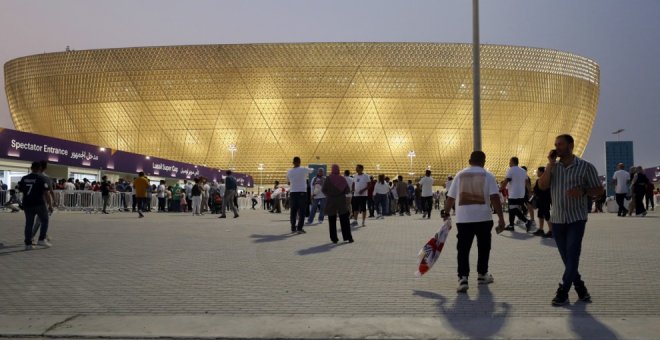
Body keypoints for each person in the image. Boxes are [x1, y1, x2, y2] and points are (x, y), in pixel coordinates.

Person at [538, 134, 603, 306]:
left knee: (572, 256)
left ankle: (562, 292)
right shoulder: (554, 167)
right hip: (558, 219)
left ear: (571, 146)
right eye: (555, 144)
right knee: (567, 259)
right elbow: (542, 185)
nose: (557, 147)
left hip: (576, 218)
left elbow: (599, 190)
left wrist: (582, 192)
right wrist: (550, 165)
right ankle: (581, 288)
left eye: (560, 144)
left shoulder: (585, 167)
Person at [443, 151, 505, 293]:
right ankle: (482, 275)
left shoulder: (459, 175)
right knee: (484, 247)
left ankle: (463, 278)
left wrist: (446, 214)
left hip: (464, 219)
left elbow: (450, 198)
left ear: (469, 160)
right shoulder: (488, 175)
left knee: (463, 249)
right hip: (484, 218)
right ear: (484, 161)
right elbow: (495, 197)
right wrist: (501, 218)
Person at [19, 161, 54, 250]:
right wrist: (50, 205)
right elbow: (46, 193)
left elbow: (22, 191)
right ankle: (41, 239)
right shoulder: (42, 178)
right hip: (39, 203)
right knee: (45, 220)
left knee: (29, 223)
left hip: (27, 203)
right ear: (40, 168)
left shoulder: (24, 178)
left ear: (31, 168)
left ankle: (28, 244)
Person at [322, 164, 353, 243]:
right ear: (338, 170)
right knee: (344, 220)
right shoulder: (342, 179)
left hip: (331, 201)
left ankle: (334, 238)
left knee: (332, 221)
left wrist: (329, 194)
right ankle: (348, 237)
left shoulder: (328, 179)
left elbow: (323, 190)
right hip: (341, 201)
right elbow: (347, 191)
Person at [502, 157, 533, 232]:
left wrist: (501, 188)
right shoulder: (523, 171)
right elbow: (527, 182)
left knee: (513, 209)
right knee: (511, 209)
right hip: (521, 194)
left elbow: (507, 180)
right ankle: (511, 225)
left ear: (512, 162)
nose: (509, 163)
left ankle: (527, 221)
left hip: (513, 193)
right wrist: (530, 192)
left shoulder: (511, 170)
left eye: (510, 161)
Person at [287, 157, 313, 234]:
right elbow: (311, 170)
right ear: (299, 162)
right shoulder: (303, 169)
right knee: (302, 211)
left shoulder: (289, 171)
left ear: (293, 162)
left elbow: (288, 182)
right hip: (302, 192)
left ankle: (293, 227)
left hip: (293, 192)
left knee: (293, 211)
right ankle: (299, 228)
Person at [532, 167, 553, 238]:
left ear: (542, 172)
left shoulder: (542, 180)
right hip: (543, 200)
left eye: (538, 171)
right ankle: (541, 229)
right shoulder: (547, 179)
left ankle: (551, 231)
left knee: (546, 215)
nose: (537, 173)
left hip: (544, 200)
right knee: (540, 215)